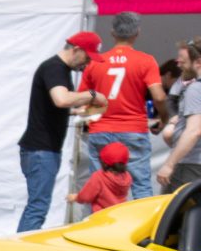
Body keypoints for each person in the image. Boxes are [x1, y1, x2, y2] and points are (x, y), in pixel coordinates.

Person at [17, 31, 102, 231]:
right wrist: (90, 95)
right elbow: (61, 99)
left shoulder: (58, 70)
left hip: (42, 149)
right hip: (41, 149)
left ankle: (19, 250)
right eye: (87, 57)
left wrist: (76, 112)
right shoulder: (55, 68)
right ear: (76, 50)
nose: (87, 63)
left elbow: (56, 105)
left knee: (37, 206)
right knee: (37, 207)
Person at [83, 13, 164, 200]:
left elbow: (84, 98)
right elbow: (159, 96)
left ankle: (101, 227)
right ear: (137, 32)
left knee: (100, 187)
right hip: (133, 129)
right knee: (141, 186)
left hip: (100, 129)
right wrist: (164, 117)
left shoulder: (95, 62)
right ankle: (143, 228)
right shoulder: (146, 61)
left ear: (112, 33)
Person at [162, 41, 201, 189]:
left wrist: (169, 164)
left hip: (191, 163)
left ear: (198, 62)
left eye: (183, 62)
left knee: (173, 209)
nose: (179, 65)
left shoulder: (196, 89)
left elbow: (193, 131)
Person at [74, 140, 135, 213]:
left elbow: (86, 197)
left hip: (101, 218)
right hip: (120, 215)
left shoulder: (99, 176)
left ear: (103, 162)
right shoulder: (127, 177)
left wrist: (76, 198)